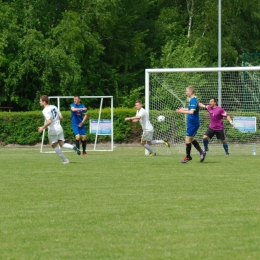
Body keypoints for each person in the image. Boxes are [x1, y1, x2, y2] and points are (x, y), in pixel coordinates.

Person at [38, 95, 81, 164]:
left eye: (40, 101)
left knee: (54, 145)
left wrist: (42, 127)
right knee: (61, 144)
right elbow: (61, 117)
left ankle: (65, 160)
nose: (39, 102)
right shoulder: (54, 107)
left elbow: (49, 121)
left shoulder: (45, 110)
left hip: (53, 130)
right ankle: (73, 147)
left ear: (44, 102)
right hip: (59, 128)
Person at [176, 86, 206, 163]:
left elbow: (191, 112)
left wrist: (181, 112)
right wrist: (182, 109)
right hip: (193, 123)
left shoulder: (193, 100)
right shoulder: (193, 99)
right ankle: (201, 152)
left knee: (187, 139)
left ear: (191, 92)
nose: (186, 93)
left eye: (187, 91)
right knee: (191, 139)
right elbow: (190, 109)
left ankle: (188, 156)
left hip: (193, 123)